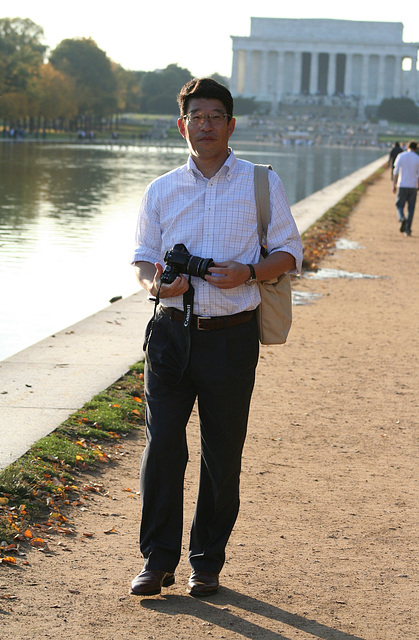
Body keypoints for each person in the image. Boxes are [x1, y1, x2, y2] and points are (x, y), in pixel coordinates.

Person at [130, 78, 302, 598]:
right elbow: (142, 260)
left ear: (230, 124)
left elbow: (290, 252)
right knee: (163, 447)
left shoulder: (259, 182)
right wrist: (156, 283)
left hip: (231, 336)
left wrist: (248, 273)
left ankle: (206, 561)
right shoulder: (160, 189)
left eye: (214, 116)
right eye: (195, 117)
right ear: (182, 126)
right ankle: (157, 560)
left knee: (222, 453)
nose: (204, 126)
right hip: (170, 336)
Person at [392, 141, 419, 236]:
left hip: (402, 184)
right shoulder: (417, 158)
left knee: (399, 205)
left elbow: (395, 171)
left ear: (407, 146)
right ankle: (408, 230)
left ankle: (402, 218)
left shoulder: (401, 156)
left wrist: (394, 184)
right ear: (416, 148)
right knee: (411, 208)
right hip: (413, 186)